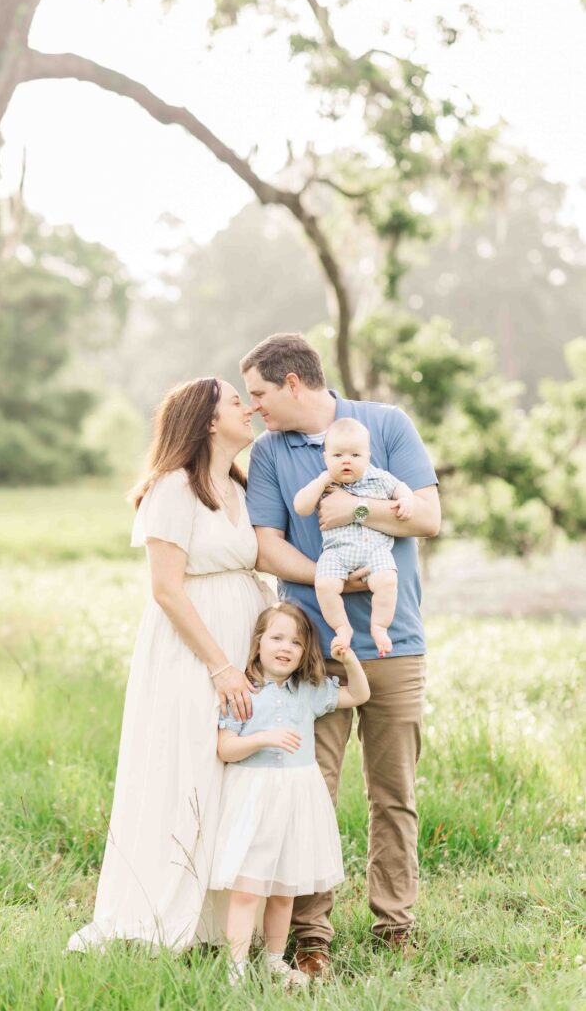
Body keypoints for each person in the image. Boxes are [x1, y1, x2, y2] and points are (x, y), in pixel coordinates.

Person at [241, 333, 440, 976]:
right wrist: (337, 578)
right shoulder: (270, 452)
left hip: (394, 642)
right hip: (309, 651)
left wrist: (358, 507)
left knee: (393, 792)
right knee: (306, 791)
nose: (255, 408)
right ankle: (309, 936)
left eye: (261, 394)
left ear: (293, 383)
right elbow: (266, 547)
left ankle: (395, 926)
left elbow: (427, 516)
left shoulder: (385, 425)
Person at [67, 378, 273, 953]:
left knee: (231, 775)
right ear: (208, 420)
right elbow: (166, 589)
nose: (249, 408)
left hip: (241, 639)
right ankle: (160, 914)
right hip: (193, 648)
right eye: (237, 401)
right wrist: (220, 666)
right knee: (187, 764)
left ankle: (220, 924)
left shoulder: (240, 485)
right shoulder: (173, 489)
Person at [210, 602, 369, 987]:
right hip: (255, 796)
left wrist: (349, 660)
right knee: (248, 888)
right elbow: (225, 748)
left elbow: (360, 694)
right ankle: (236, 966)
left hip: (298, 797)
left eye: (296, 642)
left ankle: (274, 959)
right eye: (277, 637)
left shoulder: (309, 691)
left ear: (304, 652)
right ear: (259, 642)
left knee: (284, 889)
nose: (286, 647)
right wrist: (263, 737)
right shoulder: (243, 691)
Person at [293, 418, 414, 658]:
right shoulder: (325, 483)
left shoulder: (379, 478)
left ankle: (379, 627)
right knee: (325, 585)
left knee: (388, 581)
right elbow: (301, 507)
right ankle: (342, 627)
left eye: (355, 455)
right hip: (337, 552)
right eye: (338, 456)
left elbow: (401, 488)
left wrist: (406, 499)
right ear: (326, 458)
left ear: (368, 457)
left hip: (374, 550)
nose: (346, 460)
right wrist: (320, 482)